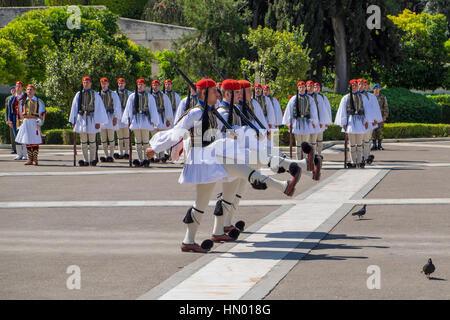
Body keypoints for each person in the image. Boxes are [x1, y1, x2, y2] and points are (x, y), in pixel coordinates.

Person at [145, 78, 302, 253]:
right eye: (214, 91)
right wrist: (155, 148)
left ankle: (189, 241)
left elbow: (217, 133)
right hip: (202, 159)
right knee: (211, 192)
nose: (217, 94)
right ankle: (282, 186)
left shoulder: (213, 111)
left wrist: (230, 135)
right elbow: (176, 132)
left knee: (204, 200)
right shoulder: (195, 113)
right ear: (204, 93)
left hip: (212, 156)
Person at [69, 77, 108, 166]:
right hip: (81, 118)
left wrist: (98, 121)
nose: (86, 84)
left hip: (92, 119)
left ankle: (92, 159)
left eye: (87, 82)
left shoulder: (95, 94)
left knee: (92, 141)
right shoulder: (79, 94)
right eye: (84, 82)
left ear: (90, 83)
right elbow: (74, 108)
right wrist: (73, 121)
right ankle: (85, 159)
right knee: (83, 141)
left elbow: (99, 109)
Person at [121, 78, 160, 167]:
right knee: (138, 141)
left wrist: (154, 120)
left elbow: (152, 109)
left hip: (146, 120)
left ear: (144, 86)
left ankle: (146, 159)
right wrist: (128, 120)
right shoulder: (132, 96)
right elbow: (129, 109)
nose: (140, 86)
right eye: (139, 84)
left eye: (142, 84)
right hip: (136, 120)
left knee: (145, 141)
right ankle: (140, 159)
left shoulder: (149, 96)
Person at [334, 79, 369, 168]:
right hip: (350, 122)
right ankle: (353, 161)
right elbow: (343, 111)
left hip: (360, 121)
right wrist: (343, 123)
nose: (354, 87)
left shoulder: (363, 97)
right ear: (350, 86)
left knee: (359, 144)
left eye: (356, 85)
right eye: (353, 85)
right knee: (352, 144)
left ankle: (360, 161)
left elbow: (367, 110)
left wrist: (366, 121)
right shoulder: (346, 98)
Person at [282, 81, 318, 164]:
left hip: (306, 122)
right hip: (296, 122)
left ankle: (305, 160)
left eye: (303, 87)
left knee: (305, 143)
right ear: (298, 88)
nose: (302, 89)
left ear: (305, 88)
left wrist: (314, 121)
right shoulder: (293, 99)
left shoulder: (309, 99)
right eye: (300, 87)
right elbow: (289, 111)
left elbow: (313, 111)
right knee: (298, 143)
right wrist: (289, 123)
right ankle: (298, 160)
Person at [15, 84, 46, 165]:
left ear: (34, 91)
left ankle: (35, 159)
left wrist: (40, 120)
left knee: (35, 141)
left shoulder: (38, 101)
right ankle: (29, 159)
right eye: (28, 89)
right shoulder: (22, 101)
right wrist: (20, 123)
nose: (29, 91)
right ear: (26, 91)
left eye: (31, 89)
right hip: (26, 122)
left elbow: (43, 112)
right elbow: (19, 113)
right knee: (27, 141)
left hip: (34, 122)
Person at [98, 78, 121, 163]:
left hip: (110, 116)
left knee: (111, 138)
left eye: (105, 83)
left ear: (108, 84)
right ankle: (106, 154)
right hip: (101, 118)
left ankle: (111, 155)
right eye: (102, 83)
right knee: (103, 139)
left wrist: (115, 117)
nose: (104, 85)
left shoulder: (113, 94)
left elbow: (117, 106)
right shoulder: (98, 94)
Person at [151, 79, 174, 163]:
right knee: (155, 138)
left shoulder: (164, 96)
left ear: (160, 86)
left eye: (157, 85)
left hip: (162, 118)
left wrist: (168, 119)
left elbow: (168, 108)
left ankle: (162, 155)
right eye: (154, 85)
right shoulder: (149, 96)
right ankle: (157, 155)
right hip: (153, 119)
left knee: (161, 138)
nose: (155, 87)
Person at [313, 82, 333, 156]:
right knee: (313, 140)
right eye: (315, 87)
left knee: (320, 139)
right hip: (313, 122)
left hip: (321, 121)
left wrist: (326, 121)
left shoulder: (323, 97)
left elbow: (326, 110)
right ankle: (313, 154)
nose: (316, 89)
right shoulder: (310, 96)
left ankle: (319, 153)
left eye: (318, 87)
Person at [115, 78, 132, 159]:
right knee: (119, 136)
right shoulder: (114, 93)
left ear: (125, 84)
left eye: (122, 83)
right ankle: (120, 152)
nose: (121, 84)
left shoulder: (129, 93)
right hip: (118, 116)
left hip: (125, 115)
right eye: (119, 83)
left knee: (126, 136)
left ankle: (126, 152)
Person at [372, 84, 389, 150]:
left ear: (379, 89)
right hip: (372, 117)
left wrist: (385, 116)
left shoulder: (382, 97)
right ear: (373, 89)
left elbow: (386, 107)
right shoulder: (371, 97)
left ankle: (379, 145)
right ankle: (374, 145)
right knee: (373, 131)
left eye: (378, 88)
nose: (376, 90)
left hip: (380, 116)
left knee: (380, 131)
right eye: (375, 88)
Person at [4, 85, 17, 154]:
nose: (13, 91)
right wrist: (7, 119)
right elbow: (6, 110)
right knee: (12, 135)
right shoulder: (8, 98)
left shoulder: (19, 97)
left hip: (17, 119)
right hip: (10, 119)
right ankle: (14, 149)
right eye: (12, 90)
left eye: (14, 90)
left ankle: (21, 149)